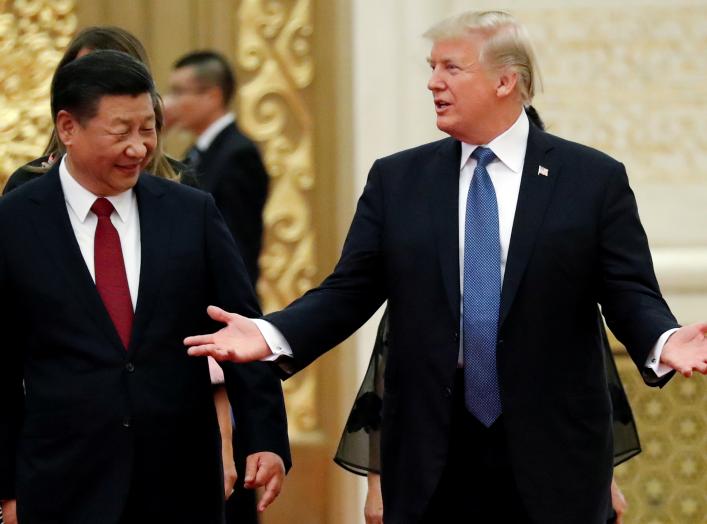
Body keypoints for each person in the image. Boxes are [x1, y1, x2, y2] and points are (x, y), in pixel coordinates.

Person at [184, 10, 707, 523]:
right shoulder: (398, 180)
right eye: (430, 68)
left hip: (554, 450)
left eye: (451, 68)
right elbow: (348, 291)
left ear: (506, 80)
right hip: (430, 447)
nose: (433, 82)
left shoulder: (591, 180)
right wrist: (272, 334)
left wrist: (664, 339)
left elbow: (628, 291)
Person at [0, 50, 290, 524]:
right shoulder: (15, 222)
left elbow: (239, 328)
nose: (140, 148)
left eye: (148, 128)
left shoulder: (191, 213)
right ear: (68, 128)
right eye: (121, 132)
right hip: (62, 483)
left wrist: (264, 439)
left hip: (180, 483)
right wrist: (5, 491)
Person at [335, 107, 638, 524]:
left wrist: (604, 481)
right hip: (439, 450)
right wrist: (376, 479)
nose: (436, 82)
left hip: (547, 461)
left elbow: (594, 363)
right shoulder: (406, 191)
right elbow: (390, 358)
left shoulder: (583, 196)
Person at [166, 51, 269, 286]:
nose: (170, 103)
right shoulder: (198, 151)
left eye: (179, 92)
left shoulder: (238, 154)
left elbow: (236, 243)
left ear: (212, 96)